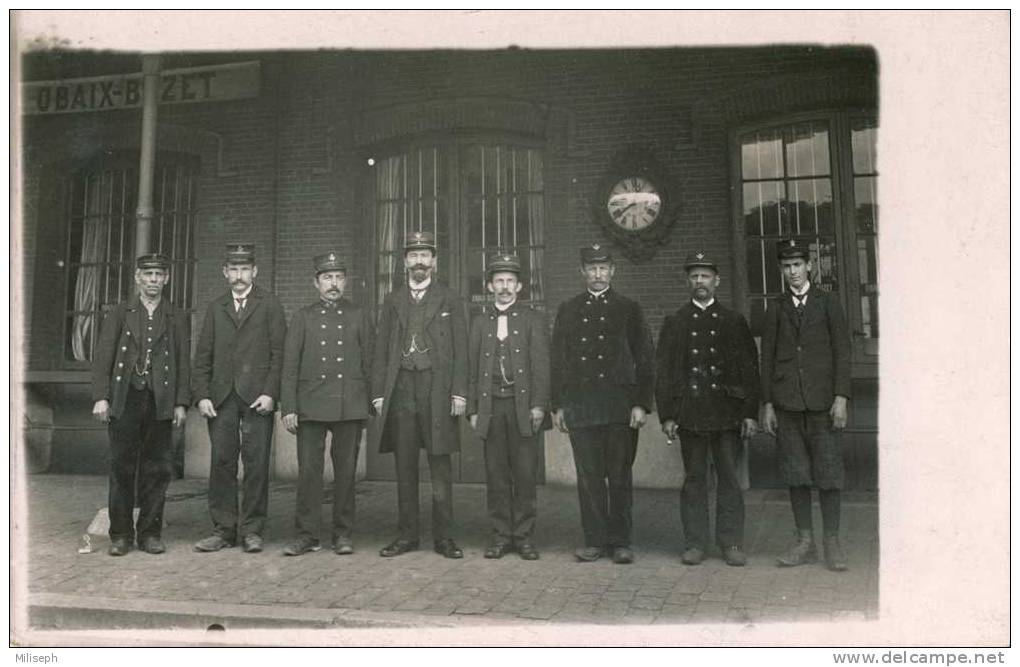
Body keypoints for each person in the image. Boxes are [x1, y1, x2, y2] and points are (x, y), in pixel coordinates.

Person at [551, 243, 655, 564]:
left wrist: (641, 404)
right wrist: (558, 405)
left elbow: (645, 359)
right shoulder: (568, 310)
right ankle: (594, 540)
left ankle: (621, 541)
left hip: (619, 407)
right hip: (582, 406)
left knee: (620, 474)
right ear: (583, 272)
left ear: (613, 271)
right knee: (589, 477)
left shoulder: (629, 309)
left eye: (603, 268)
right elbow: (558, 360)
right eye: (591, 268)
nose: (597, 274)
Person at [655, 252, 760, 567]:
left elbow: (749, 370)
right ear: (687, 281)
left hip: (727, 413)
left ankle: (731, 543)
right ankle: (695, 543)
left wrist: (749, 412)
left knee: (729, 478)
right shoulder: (676, 322)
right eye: (694, 276)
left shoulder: (733, 320)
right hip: (692, 414)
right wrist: (668, 415)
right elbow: (666, 371)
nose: (700, 282)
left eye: (705, 276)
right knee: (694, 479)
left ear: (717, 281)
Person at [369, 230, 469, 559]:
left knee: (440, 467)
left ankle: (444, 539)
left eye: (425, 255)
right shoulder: (392, 300)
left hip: (436, 390)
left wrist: (459, 392)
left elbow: (461, 348)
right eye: (413, 256)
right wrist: (380, 394)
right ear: (404, 263)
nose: (419, 262)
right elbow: (382, 349)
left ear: (434, 262)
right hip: (401, 392)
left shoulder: (450, 299)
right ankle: (407, 536)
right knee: (405, 467)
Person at [760, 239, 852, 572]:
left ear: (809, 266)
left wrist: (841, 397)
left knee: (829, 475)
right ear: (782, 271)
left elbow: (843, 351)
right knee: (796, 475)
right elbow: (766, 357)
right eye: (786, 267)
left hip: (823, 405)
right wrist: (768, 403)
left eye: (797, 265)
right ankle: (804, 542)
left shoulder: (828, 303)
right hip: (787, 406)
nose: (792, 272)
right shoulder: (776, 307)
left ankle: (832, 543)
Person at [90, 254, 189, 556]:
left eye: (159, 274)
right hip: (125, 397)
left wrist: (181, 402)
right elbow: (103, 357)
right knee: (121, 466)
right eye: (148, 274)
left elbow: (184, 362)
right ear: (137, 278)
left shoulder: (176, 316)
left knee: (157, 468)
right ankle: (120, 535)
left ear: (166, 279)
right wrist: (101, 396)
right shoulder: (120, 312)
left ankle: (149, 534)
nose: (153, 280)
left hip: (160, 400)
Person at [192, 244, 287, 554]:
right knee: (221, 463)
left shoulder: (270, 305)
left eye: (244, 269)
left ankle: (253, 530)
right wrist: (202, 395)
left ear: (254, 272)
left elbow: (279, 354)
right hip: (221, 399)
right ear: (225, 272)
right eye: (233, 270)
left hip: (257, 398)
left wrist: (271, 393)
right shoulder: (215, 307)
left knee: (256, 464)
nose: (239, 276)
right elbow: (203, 355)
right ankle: (223, 529)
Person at [279, 252, 373, 556]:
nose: (333, 284)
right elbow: (290, 365)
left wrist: (370, 403)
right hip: (310, 405)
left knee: (346, 474)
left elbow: (370, 362)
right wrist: (289, 407)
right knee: (309, 473)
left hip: (349, 404)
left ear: (344, 281)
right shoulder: (303, 317)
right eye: (327, 278)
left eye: (338, 278)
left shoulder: (359, 315)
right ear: (316, 282)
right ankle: (306, 534)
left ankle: (343, 534)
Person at [467, 253, 550, 561]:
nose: (504, 287)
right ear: (490, 286)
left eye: (510, 281)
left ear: (520, 286)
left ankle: (524, 536)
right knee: (496, 474)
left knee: (526, 474)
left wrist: (539, 404)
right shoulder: (479, 322)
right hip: (491, 408)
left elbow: (541, 365)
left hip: (523, 407)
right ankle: (502, 535)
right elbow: (472, 367)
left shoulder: (532, 319)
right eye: (499, 281)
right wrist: (474, 409)